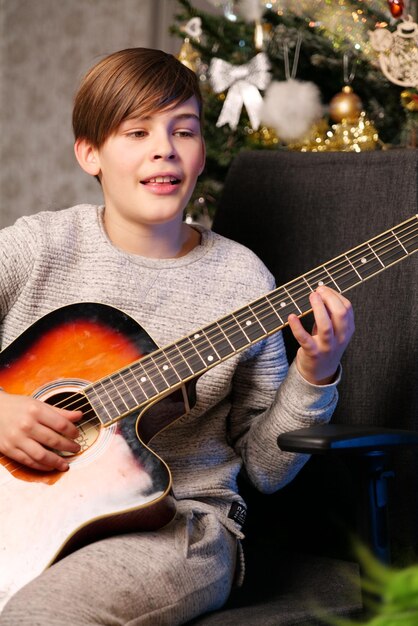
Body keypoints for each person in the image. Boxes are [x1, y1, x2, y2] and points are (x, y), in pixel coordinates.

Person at [0, 48, 354, 625]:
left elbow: (267, 468)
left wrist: (316, 375)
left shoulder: (244, 281)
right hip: (26, 508)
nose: (163, 147)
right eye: (136, 131)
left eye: (182, 130)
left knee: (41, 616)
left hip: (174, 527)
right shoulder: (37, 247)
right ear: (90, 153)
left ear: (200, 153)